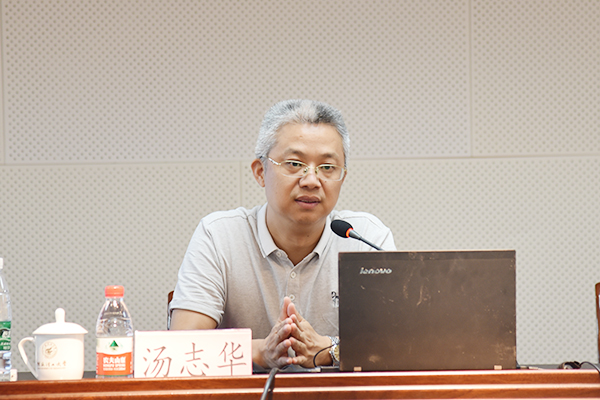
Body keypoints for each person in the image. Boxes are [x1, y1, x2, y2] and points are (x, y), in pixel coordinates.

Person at [169, 99, 396, 369]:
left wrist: (329, 350)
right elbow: (181, 346)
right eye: (294, 163)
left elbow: (397, 345)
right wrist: (259, 351)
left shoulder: (366, 239)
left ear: (342, 177)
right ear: (260, 172)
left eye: (327, 167)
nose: (311, 180)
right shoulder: (219, 236)